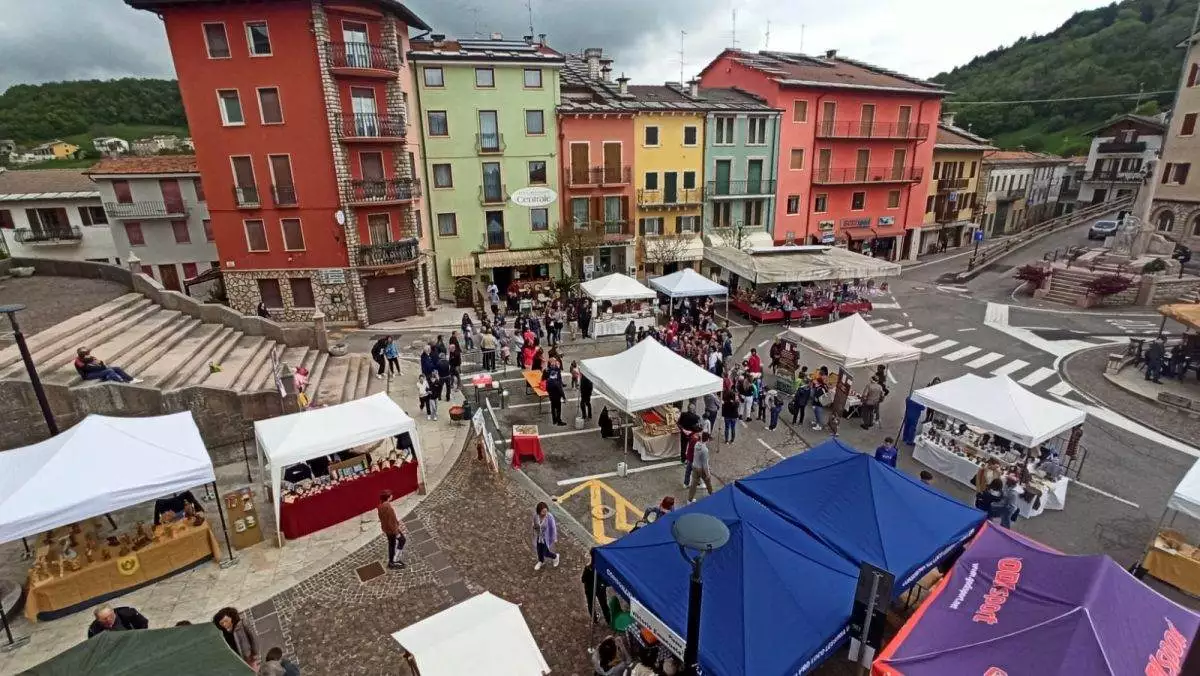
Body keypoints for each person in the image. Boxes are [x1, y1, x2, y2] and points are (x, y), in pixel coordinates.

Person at [74, 348, 139, 384]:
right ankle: (121, 382)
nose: (89, 354)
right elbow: (95, 368)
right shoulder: (79, 363)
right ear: (84, 355)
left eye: (88, 352)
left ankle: (131, 379)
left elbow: (100, 364)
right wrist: (101, 365)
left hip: (96, 370)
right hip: (88, 375)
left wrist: (100, 363)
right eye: (87, 353)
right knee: (109, 371)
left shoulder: (90, 358)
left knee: (116, 368)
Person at [377, 490, 407, 569]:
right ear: (388, 498)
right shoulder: (388, 508)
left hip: (387, 529)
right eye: (390, 495)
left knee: (392, 544)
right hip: (392, 530)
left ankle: (392, 561)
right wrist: (397, 533)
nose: (392, 496)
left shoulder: (380, 506)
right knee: (402, 540)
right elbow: (391, 522)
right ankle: (394, 560)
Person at [532, 501, 560, 570]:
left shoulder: (549, 517)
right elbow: (535, 523)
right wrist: (534, 528)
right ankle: (541, 561)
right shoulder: (536, 516)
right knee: (539, 550)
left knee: (545, 552)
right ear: (539, 511)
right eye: (543, 512)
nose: (545, 513)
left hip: (546, 537)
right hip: (539, 536)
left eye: (546, 511)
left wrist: (554, 537)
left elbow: (553, 527)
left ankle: (555, 557)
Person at [687, 432, 715, 502]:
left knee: (693, 484)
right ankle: (711, 494)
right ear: (707, 439)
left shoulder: (697, 444)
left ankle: (689, 499)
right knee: (708, 482)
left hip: (694, 466)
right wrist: (708, 474)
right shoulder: (705, 450)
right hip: (701, 469)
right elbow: (705, 464)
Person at [544, 358, 567, 426]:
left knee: (553, 408)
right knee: (558, 409)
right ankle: (559, 421)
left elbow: (547, 388)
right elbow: (560, 390)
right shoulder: (556, 382)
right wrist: (564, 397)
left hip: (551, 396)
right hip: (557, 396)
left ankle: (554, 420)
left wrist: (550, 393)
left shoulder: (548, 381)